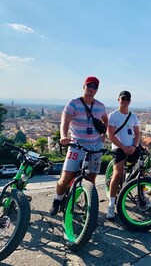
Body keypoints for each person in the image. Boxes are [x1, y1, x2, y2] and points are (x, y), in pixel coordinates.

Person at [50, 76, 108, 216]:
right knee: (66, 178)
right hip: (77, 145)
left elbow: (105, 119)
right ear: (84, 86)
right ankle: (57, 200)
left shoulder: (100, 106)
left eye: (94, 87)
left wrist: (104, 133)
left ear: (97, 90)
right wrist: (64, 135)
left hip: (95, 147)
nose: (91, 89)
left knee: (92, 178)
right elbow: (65, 120)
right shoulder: (74, 103)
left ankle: (89, 202)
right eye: (89, 86)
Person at [106, 91, 141, 219]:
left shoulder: (133, 116)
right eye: (123, 99)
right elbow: (110, 135)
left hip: (132, 147)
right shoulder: (113, 115)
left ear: (130, 101)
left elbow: (137, 134)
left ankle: (141, 195)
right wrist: (123, 147)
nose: (125, 101)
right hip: (119, 148)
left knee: (141, 171)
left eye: (128, 99)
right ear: (119, 99)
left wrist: (134, 146)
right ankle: (111, 204)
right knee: (117, 173)